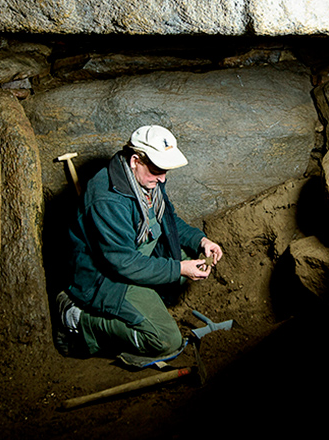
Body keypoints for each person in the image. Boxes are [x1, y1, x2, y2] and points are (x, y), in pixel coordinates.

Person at [54, 125, 224, 359]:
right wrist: (178, 269)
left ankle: (145, 303)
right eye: (157, 170)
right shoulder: (107, 199)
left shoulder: (146, 180)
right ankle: (76, 318)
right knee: (166, 340)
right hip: (103, 277)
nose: (163, 178)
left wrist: (200, 240)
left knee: (187, 257)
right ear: (135, 160)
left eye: (165, 170)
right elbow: (123, 263)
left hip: (134, 256)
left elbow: (168, 219)